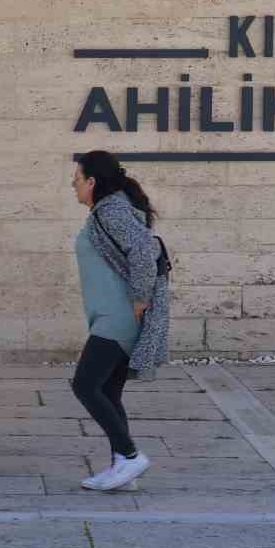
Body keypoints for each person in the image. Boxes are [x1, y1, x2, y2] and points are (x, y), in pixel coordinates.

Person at [69, 150, 170, 491]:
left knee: (84, 384)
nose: (73, 184)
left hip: (118, 317)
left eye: (78, 178)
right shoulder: (107, 210)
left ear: (92, 182)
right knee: (108, 393)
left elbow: (144, 251)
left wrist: (140, 298)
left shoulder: (111, 210)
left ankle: (128, 456)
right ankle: (122, 469)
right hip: (111, 315)